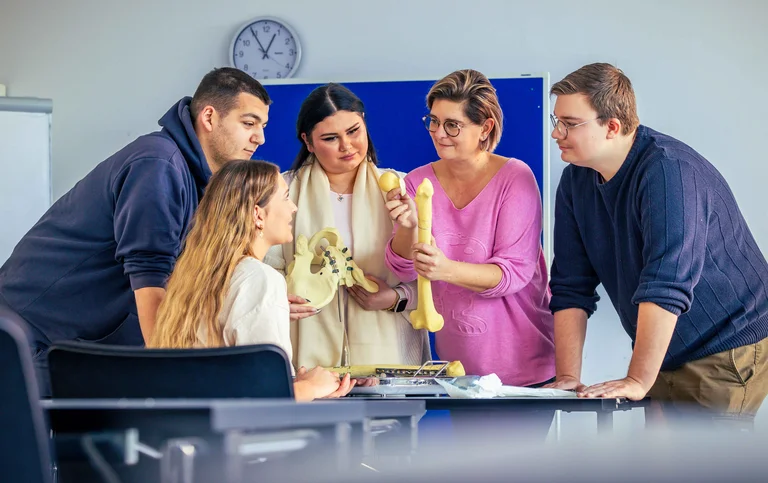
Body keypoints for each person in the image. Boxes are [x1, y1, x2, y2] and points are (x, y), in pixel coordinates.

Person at [0, 67, 271, 394]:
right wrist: (179, 381)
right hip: (30, 337)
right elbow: (152, 278)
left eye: (262, 126)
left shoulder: (197, 181)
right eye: (249, 123)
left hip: (69, 345)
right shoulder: (158, 164)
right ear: (209, 117)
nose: (260, 137)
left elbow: (185, 277)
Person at [544, 62, 768, 420]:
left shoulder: (668, 171)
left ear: (612, 127)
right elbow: (571, 285)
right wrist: (569, 377)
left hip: (727, 341)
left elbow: (666, 283)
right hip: (668, 346)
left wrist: (637, 378)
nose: (556, 134)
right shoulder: (575, 183)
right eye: (556, 122)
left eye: (569, 124)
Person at [384, 69, 555, 388]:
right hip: (459, 369)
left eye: (452, 125)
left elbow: (513, 274)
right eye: (433, 121)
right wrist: (406, 227)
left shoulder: (515, 179)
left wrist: (444, 268)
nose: (438, 133)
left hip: (524, 367)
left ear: (485, 127)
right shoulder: (417, 181)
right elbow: (404, 268)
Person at [149, 160, 353, 401]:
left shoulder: (192, 279)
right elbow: (265, 397)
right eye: (286, 197)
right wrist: (312, 388)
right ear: (258, 213)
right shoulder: (261, 278)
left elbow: (225, 385)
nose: (294, 207)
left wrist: (296, 385)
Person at [264, 83, 430, 370]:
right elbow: (258, 269)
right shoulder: (281, 191)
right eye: (330, 138)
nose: (347, 146)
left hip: (389, 354)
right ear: (308, 141)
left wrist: (395, 298)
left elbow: (433, 279)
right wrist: (279, 299)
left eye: (353, 131)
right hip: (304, 358)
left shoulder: (403, 189)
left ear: (364, 122)